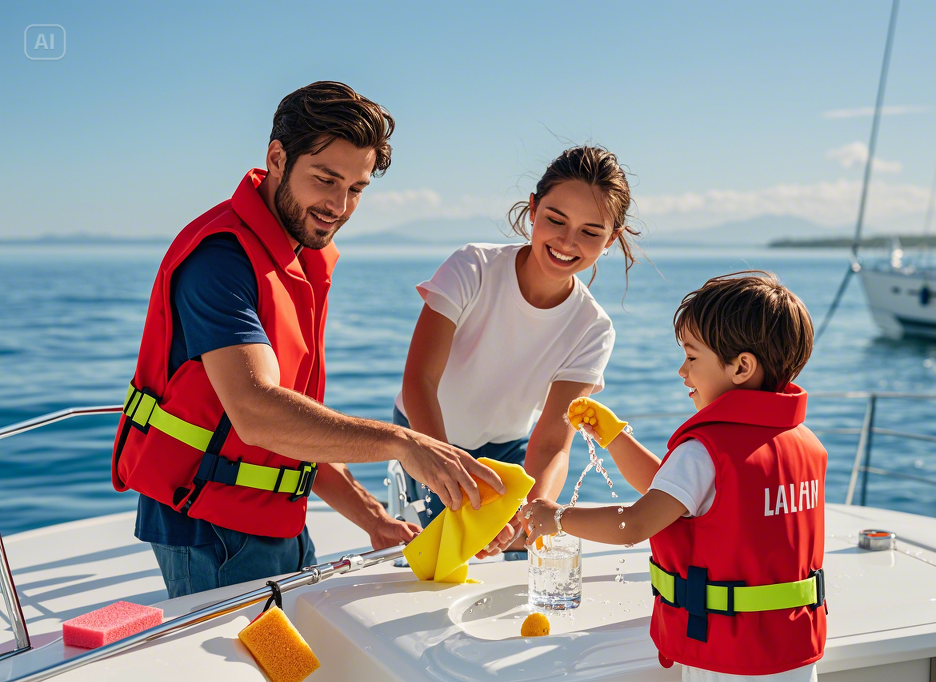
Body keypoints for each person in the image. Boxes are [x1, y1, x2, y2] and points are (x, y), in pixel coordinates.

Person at [111, 81, 504, 598]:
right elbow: (256, 412)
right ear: (277, 158)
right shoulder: (221, 260)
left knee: (299, 669)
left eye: (357, 188)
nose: (339, 205)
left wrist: (373, 518)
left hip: (278, 518)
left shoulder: (298, 253)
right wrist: (402, 441)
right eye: (325, 179)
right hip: (209, 528)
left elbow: (295, 426)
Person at [520, 271, 826, 682]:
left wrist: (555, 517)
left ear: (741, 367)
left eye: (692, 357)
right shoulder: (801, 442)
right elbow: (674, 493)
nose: (682, 370)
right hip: (790, 648)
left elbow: (637, 523)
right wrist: (614, 437)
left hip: (724, 654)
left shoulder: (705, 450)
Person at [395, 146, 642, 555]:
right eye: (555, 220)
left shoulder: (593, 329)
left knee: (510, 551)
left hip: (507, 451)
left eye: (590, 232)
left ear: (611, 239)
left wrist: (532, 512)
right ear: (532, 209)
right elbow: (419, 381)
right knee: (446, 558)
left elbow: (551, 443)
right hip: (425, 433)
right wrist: (450, 478)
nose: (567, 241)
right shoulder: (471, 267)